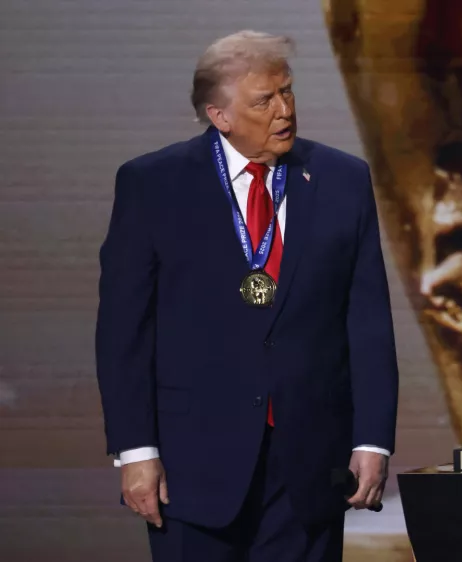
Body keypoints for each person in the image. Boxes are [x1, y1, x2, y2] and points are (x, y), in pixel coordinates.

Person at [95, 30, 398, 562]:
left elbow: (367, 322)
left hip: (308, 463)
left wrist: (372, 442)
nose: (285, 110)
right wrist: (135, 451)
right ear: (220, 116)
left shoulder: (342, 180)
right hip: (192, 465)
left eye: (287, 91)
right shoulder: (153, 185)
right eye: (264, 100)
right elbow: (124, 332)